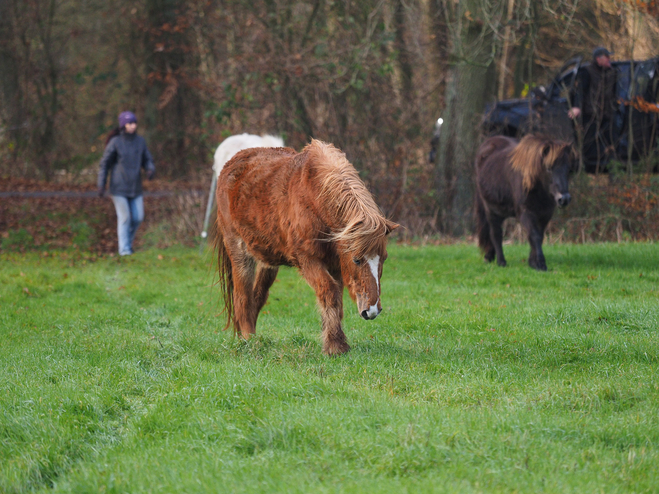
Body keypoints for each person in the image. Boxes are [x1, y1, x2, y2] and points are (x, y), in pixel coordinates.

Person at [98, 111, 155, 256]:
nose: (133, 126)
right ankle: (124, 250)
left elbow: (147, 159)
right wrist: (101, 184)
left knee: (138, 217)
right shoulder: (115, 142)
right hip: (118, 188)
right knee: (125, 218)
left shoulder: (140, 141)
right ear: (124, 125)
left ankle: (127, 243)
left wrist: (150, 168)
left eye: (135, 123)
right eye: (130, 123)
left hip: (135, 187)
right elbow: (104, 164)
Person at [568, 46, 618, 168]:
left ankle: (611, 169)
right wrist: (577, 107)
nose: (609, 60)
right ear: (598, 59)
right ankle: (590, 167)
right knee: (589, 145)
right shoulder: (587, 72)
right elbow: (580, 91)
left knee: (611, 143)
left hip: (607, 115)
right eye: (607, 58)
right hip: (590, 115)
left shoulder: (612, 73)